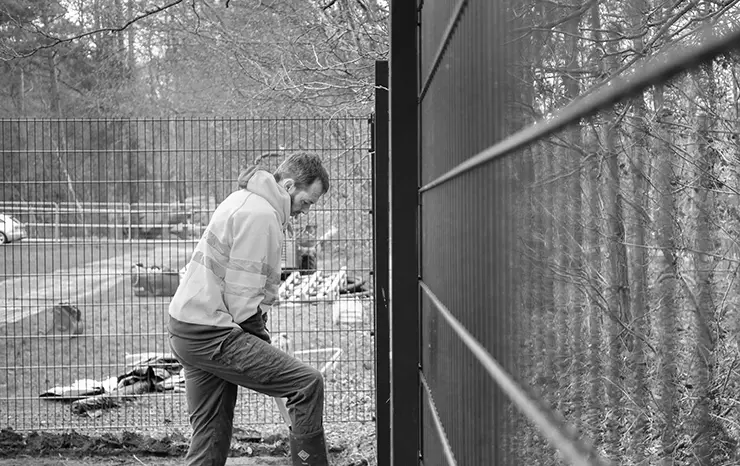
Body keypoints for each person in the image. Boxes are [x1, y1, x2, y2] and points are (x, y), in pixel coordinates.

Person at [168, 152, 331, 466]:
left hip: (188, 327)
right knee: (306, 384)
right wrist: (263, 345)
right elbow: (243, 304)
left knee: (210, 437)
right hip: (213, 332)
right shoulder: (261, 216)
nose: (303, 212)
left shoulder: (243, 199)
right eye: (306, 202)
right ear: (286, 184)